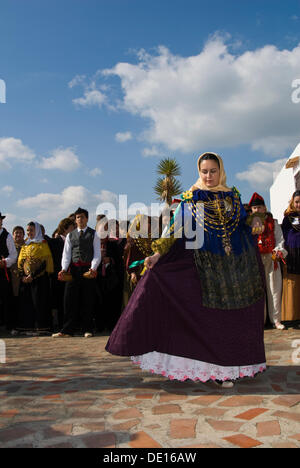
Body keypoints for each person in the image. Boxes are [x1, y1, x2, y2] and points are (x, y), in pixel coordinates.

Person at [106, 152, 267, 388]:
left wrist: (255, 220)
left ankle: (231, 367)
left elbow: (242, 222)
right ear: (199, 172)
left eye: (213, 171)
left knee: (232, 320)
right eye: (204, 171)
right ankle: (210, 368)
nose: (209, 176)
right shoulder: (191, 198)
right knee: (207, 319)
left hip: (235, 269)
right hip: (202, 266)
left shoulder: (233, 196)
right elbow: (175, 229)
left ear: (220, 170)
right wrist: (157, 254)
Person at [53, 207, 101, 337]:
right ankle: (67, 330)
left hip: (88, 270)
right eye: (77, 217)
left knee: (88, 299)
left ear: (87, 218)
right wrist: (63, 268)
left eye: (82, 217)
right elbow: (66, 254)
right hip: (73, 270)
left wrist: (94, 267)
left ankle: (88, 329)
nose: (80, 219)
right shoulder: (70, 235)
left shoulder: (94, 234)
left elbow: (97, 253)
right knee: (69, 300)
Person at [248, 192, 287, 330]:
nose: (257, 210)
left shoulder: (274, 223)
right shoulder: (248, 225)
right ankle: (261, 320)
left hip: (272, 260)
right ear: (251, 210)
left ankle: (276, 320)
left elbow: (280, 240)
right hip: (256, 261)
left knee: (274, 288)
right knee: (258, 291)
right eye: (254, 208)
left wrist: (278, 251)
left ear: (265, 208)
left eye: (259, 207)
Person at [17, 222, 54, 335]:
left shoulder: (42, 244)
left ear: (37, 231)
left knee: (39, 303)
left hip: (39, 279)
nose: (29, 233)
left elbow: (44, 262)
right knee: (27, 304)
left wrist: (32, 275)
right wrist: (23, 275)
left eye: (31, 230)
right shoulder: (25, 244)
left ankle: (41, 328)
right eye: (27, 230)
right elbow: (21, 261)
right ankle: (28, 328)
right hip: (26, 280)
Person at [281, 190, 300, 328]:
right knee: (293, 286)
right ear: (293, 203)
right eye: (297, 202)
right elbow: (283, 237)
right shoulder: (288, 217)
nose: (299, 204)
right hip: (292, 255)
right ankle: (293, 318)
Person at [0, 213, 17, 331]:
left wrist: (5, 262)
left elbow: (13, 255)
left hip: (2, 271)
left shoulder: (7, 236)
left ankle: (8, 325)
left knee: (5, 298)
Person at [9, 226, 25, 334]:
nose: (18, 235)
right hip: (12, 278)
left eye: (20, 233)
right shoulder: (10, 247)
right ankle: (12, 326)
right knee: (12, 304)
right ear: (13, 234)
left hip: (24, 279)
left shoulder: (27, 247)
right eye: (16, 233)